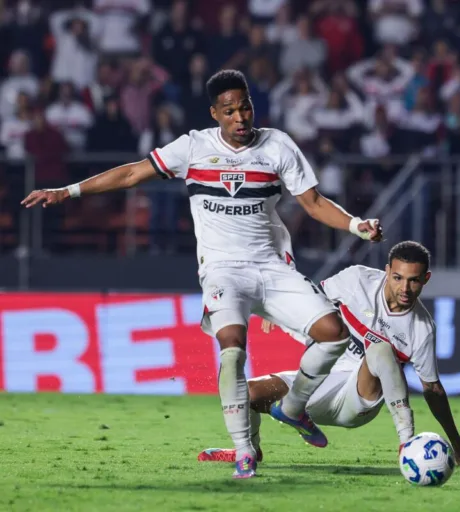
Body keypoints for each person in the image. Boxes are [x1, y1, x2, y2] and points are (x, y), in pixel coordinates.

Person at [21, 69, 383, 479]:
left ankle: (294, 407)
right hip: (223, 272)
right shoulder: (192, 147)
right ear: (215, 114)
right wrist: (66, 191)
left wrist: (356, 225)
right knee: (233, 350)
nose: (240, 117)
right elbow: (130, 174)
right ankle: (245, 451)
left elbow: (314, 203)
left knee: (333, 333)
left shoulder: (277, 145)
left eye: (244, 106)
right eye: (229, 111)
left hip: (271, 267)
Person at [197, 241, 460, 466]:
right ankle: (249, 451)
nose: (405, 288)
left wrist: (458, 447)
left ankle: (407, 444)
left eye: (414, 280)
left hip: (357, 400)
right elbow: (313, 301)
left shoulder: (421, 329)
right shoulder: (356, 280)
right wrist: (280, 310)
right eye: (398, 278)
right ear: (387, 271)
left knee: (380, 349)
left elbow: (433, 389)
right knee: (246, 393)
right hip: (320, 381)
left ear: (426, 279)